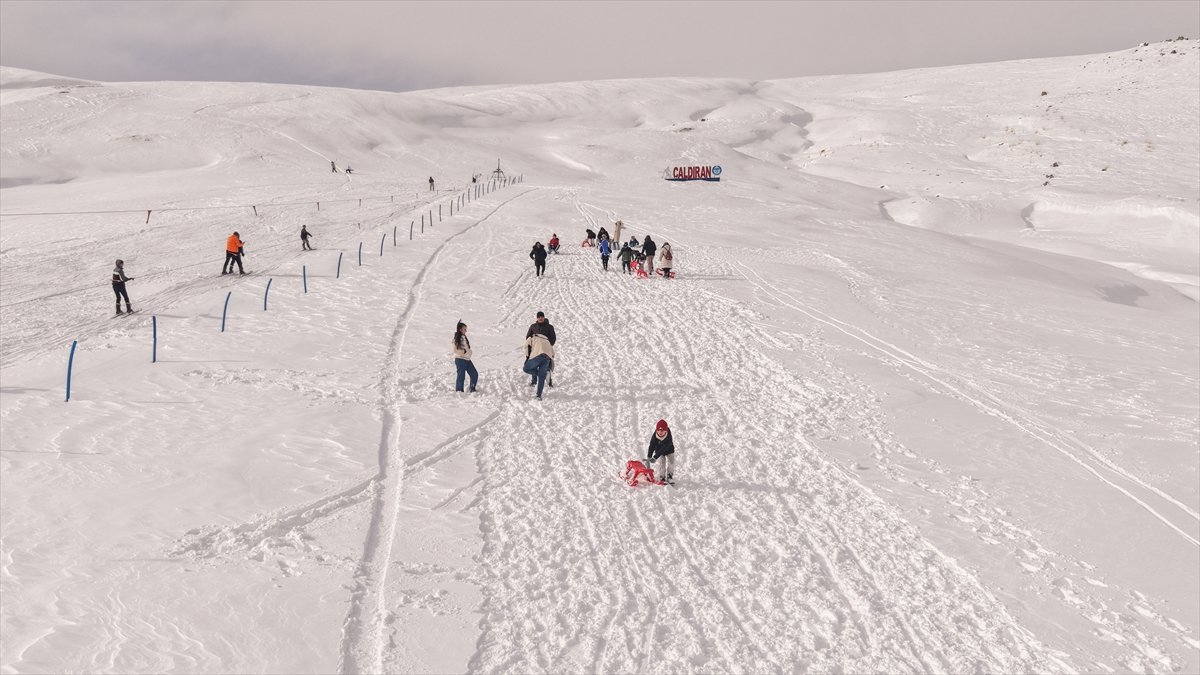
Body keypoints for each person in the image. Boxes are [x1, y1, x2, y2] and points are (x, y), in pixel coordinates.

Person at [523, 311, 556, 400]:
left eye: (542, 317)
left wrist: (544, 342)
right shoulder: (533, 326)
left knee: (527, 368)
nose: (540, 318)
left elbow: (553, 340)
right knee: (539, 371)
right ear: (537, 318)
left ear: (544, 317)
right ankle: (537, 380)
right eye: (539, 317)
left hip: (544, 352)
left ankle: (538, 395)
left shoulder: (549, 327)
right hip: (536, 350)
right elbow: (528, 338)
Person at [645, 419, 676, 484]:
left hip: (669, 450)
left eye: (662, 430)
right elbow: (652, 446)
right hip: (659, 451)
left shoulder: (668, 435)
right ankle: (662, 477)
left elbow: (665, 447)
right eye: (658, 430)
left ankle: (669, 476)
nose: (660, 432)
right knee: (662, 463)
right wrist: (649, 457)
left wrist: (655, 457)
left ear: (666, 430)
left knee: (671, 462)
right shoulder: (655, 436)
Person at [452, 321, 478, 393]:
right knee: (461, 376)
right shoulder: (456, 339)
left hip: (467, 359)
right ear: (460, 329)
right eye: (464, 329)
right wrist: (464, 352)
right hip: (460, 359)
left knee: (474, 374)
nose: (466, 331)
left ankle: (472, 389)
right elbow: (455, 350)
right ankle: (459, 392)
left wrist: (469, 352)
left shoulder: (464, 338)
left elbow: (467, 348)